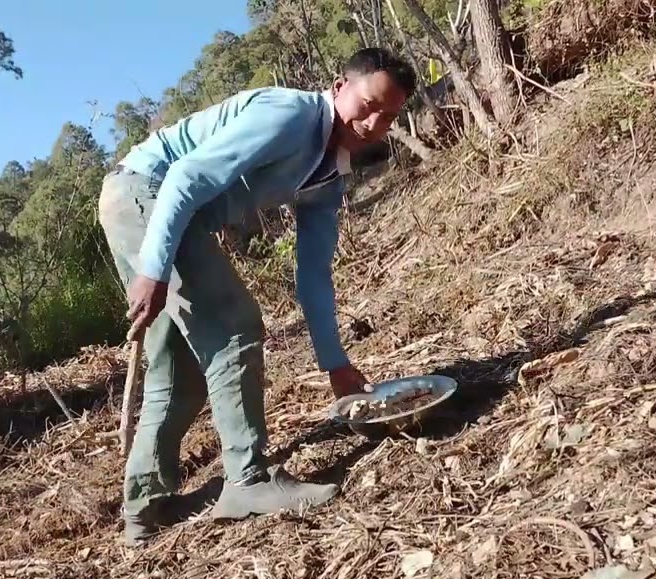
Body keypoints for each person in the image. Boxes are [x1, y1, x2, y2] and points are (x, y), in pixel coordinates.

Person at [97, 48, 417, 544]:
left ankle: (145, 508)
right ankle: (247, 482)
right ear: (340, 86)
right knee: (235, 328)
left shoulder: (329, 178)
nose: (374, 122)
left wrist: (335, 364)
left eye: (389, 115)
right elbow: (185, 178)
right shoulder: (290, 116)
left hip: (147, 205)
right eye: (369, 103)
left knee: (177, 365)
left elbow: (312, 275)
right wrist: (153, 270)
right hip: (148, 195)